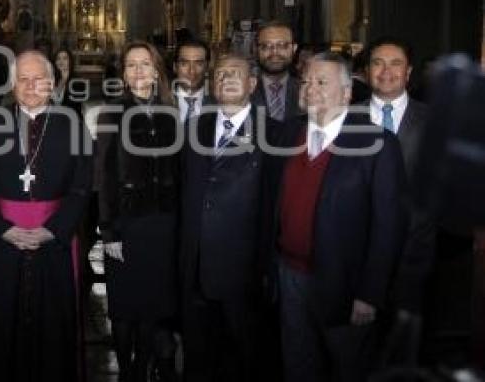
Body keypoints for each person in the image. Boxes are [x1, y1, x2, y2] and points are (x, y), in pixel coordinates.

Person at [267, 52, 406, 382]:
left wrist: (370, 293)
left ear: (346, 93)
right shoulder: (287, 134)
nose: (311, 88)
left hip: (345, 284)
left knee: (348, 368)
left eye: (322, 82)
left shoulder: (377, 143)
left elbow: (389, 226)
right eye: (307, 81)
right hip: (290, 277)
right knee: (298, 365)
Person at [0, 50, 92, 382]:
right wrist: (0, 228)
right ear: (12, 83)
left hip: (53, 241)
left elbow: (82, 187)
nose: (31, 85)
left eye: (39, 79)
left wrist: (54, 229)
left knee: (52, 324)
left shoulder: (71, 124)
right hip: (2, 241)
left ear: (52, 84)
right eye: (23, 79)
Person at [180, 52, 273, 381]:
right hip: (194, 270)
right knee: (198, 361)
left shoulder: (273, 134)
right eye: (220, 74)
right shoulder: (193, 129)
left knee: (244, 361)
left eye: (235, 74)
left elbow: (273, 208)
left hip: (243, 273)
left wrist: (266, 270)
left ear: (252, 83)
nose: (226, 79)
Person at [96, 41, 180, 382]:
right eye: (131, 65)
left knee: (152, 306)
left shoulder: (170, 112)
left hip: (162, 224)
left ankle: (144, 366)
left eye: (145, 64)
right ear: (124, 74)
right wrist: (108, 230)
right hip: (127, 225)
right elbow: (103, 176)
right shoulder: (112, 113)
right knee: (124, 308)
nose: (139, 71)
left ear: (156, 69)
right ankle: (128, 371)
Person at [365, 38, 434, 362]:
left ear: (408, 73)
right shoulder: (345, 118)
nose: (386, 71)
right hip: (357, 256)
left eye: (395, 64)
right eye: (378, 63)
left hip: (414, 257)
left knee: (406, 352)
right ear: (366, 72)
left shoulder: (434, 122)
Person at [251, 20, 302, 121]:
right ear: (256, 50)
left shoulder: (307, 91)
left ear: (294, 48)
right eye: (266, 46)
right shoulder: (244, 91)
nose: (274, 52)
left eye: (282, 45)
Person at [172, 38, 210, 125]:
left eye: (198, 64)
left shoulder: (218, 104)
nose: (192, 71)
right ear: (175, 67)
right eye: (184, 64)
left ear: (207, 67)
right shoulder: (161, 101)